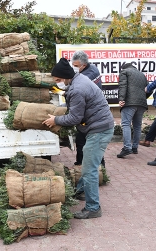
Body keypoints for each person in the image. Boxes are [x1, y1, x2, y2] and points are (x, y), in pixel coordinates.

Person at [43, 58, 114, 219]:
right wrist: (57, 110)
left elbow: (74, 118)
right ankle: (81, 191)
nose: (58, 83)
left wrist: (55, 120)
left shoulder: (77, 88)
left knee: (89, 170)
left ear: (66, 76)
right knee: (88, 165)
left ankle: (93, 208)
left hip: (99, 130)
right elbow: (73, 106)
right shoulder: (77, 80)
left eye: (59, 80)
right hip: (97, 127)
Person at [71, 50, 104, 166]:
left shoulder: (88, 74)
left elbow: (78, 88)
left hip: (93, 113)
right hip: (89, 112)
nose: (74, 68)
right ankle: (82, 163)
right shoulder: (90, 68)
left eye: (76, 66)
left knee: (89, 141)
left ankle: (96, 168)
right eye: (73, 65)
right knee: (84, 140)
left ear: (83, 65)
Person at [117, 63, 148, 157]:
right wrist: (143, 97)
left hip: (129, 103)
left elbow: (123, 85)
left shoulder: (124, 72)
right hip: (142, 103)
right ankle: (135, 147)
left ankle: (127, 148)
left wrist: (121, 99)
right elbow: (149, 89)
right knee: (137, 126)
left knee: (126, 124)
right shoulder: (142, 74)